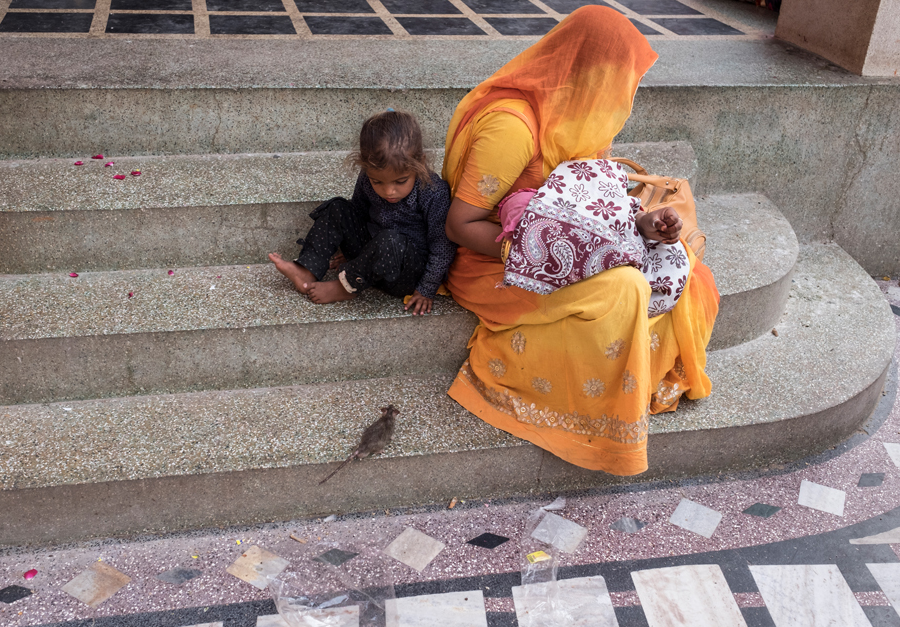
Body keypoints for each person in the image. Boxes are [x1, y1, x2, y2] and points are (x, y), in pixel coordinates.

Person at [441, 6, 720, 476]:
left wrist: (643, 228)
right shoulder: (513, 127)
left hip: (569, 255)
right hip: (497, 260)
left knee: (686, 267)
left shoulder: (580, 121)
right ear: (585, 72)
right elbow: (460, 225)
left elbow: (587, 209)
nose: (620, 96)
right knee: (626, 289)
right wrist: (541, 255)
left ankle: (628, 378)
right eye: (616, 79)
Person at [269, 110, 455, 316]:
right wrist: (358, 256)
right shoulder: (367, 177)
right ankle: (306, 270)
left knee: (390, 240)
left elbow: (442, 246)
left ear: (420, 162)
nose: (388, 191)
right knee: (338, 208)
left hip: (405, 272)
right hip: (372, 257)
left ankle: (346, 287)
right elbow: (358, 213)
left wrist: (426, 289)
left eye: (400, 181)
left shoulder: (433, 191)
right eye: (378, 182)